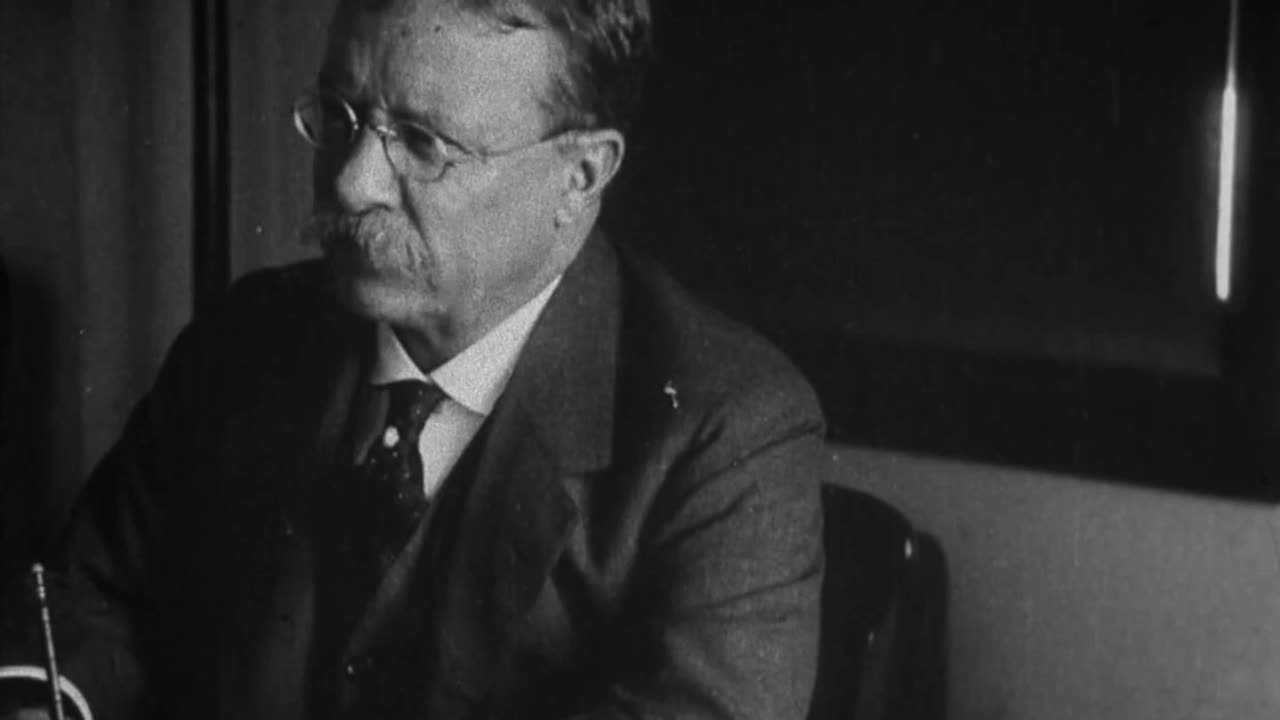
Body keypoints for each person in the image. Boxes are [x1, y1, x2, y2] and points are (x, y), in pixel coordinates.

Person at [0, 0, 827, 718]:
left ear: (579, 174)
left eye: (424, 143)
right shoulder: (247, 340)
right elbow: (92, 597)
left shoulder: (729, 434)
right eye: (341, 113)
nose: (354, 182)